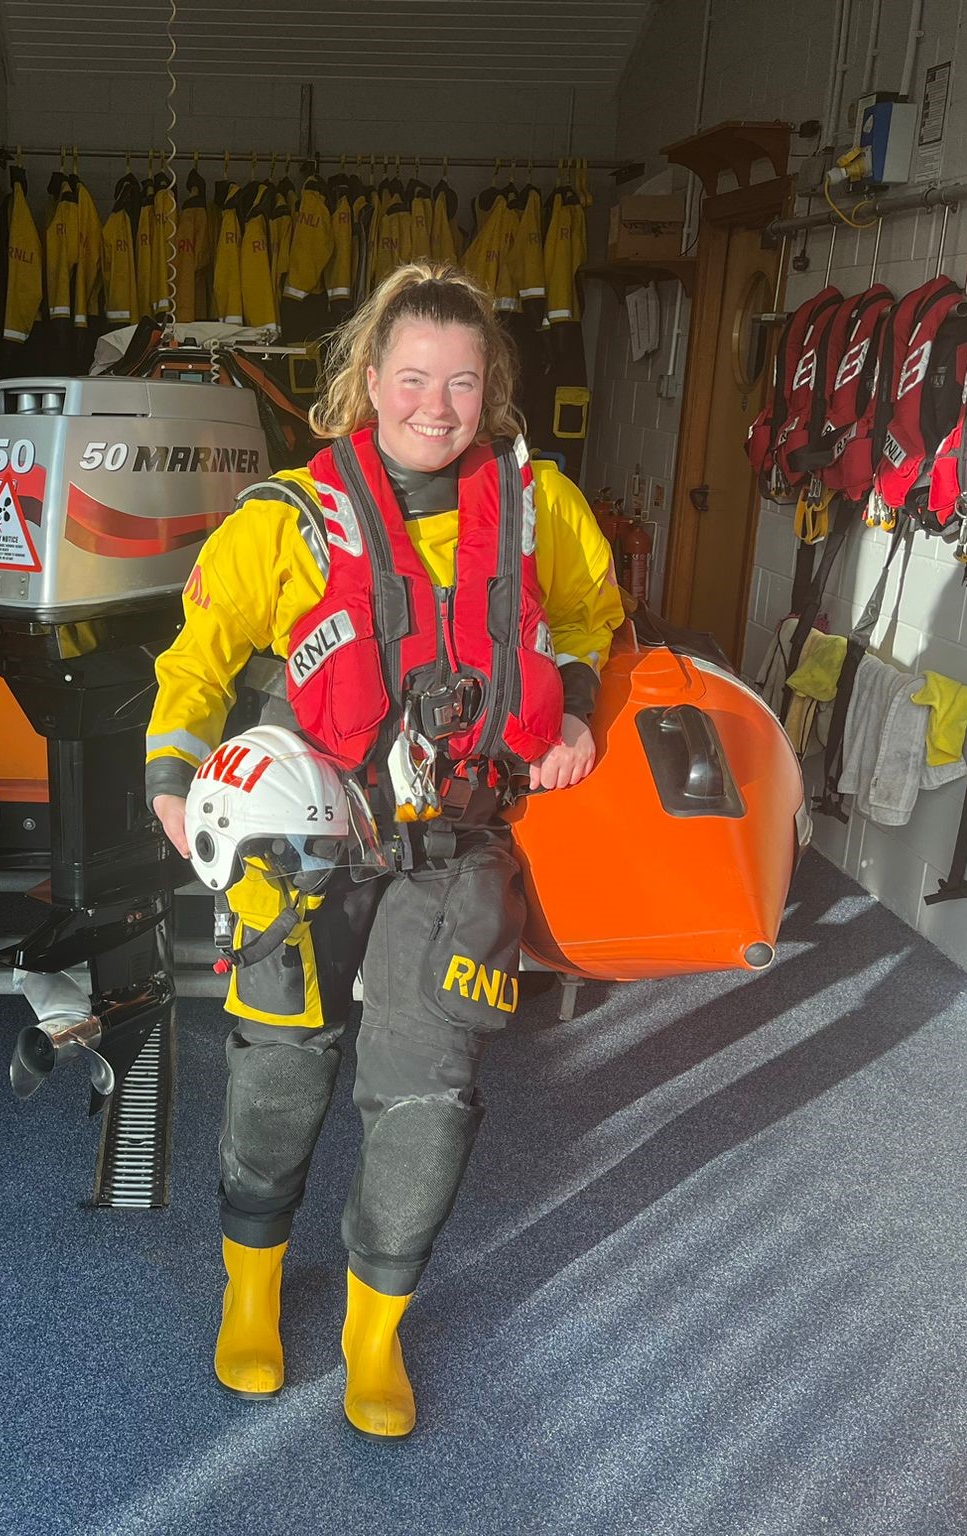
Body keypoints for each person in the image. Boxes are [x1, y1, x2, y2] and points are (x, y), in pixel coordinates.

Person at [143, 261, 625, 1437]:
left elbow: (591, 622)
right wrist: (172, 777)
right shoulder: (289, 518)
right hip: (307, 830)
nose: (435, 405)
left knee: (427, 1095)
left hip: (456, 840)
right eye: (412, 377)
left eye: (461, 382)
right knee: (279, 1060)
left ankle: (373, 1335)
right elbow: (196, 657)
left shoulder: (537, 505)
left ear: (489, 389)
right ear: (368, 380)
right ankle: (248, 1295)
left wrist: (566, 707)